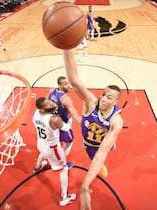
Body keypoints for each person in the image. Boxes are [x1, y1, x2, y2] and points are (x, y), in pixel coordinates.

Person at [63, 50, 124, 210]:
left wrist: (84, 186)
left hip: (97, 146)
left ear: (116, 101)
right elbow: (74, 80)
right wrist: (66, 47)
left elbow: (101, 153)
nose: (103, 98)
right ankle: (111, 142)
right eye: (103, 94)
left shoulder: (116, 121)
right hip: (88, 140)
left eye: (109, 97)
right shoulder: (91, 102)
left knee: (98, 158)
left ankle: (112, 142)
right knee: (101, 148)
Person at [32, 97, 76, 206]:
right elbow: (66, 128)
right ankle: (64, 198)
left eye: (50, 101)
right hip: (53, 149)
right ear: (42, 109)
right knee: (64, 169)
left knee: (42, 154)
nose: (51, 104)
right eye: (47, 104)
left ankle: (37, 168)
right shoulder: (54, 119)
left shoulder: (35, 113)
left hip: (41, 143)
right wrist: (70, 118)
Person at [48, 76, 82, 156]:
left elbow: (45, 103)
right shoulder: (65, 99)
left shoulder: (52, 91)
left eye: (69, 83)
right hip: (62, 123)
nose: (69, 86)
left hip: (52, 121)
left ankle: (53, 155)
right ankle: (62, 157)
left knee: (56, 141)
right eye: (66, 84)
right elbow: (77, 119)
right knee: (70, 140)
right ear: (60, 85)